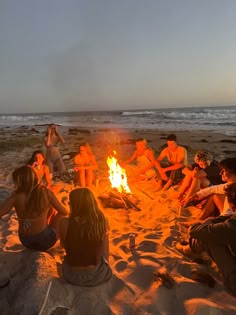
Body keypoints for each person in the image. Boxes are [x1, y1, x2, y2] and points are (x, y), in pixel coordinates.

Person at [180, 182, 236, 296]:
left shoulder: (232, 225)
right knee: (214, 233)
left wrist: (209, 221)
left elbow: (195, 230)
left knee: (209, 237)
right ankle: (189, 248)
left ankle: (187, 249)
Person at [0, 165, 68, 251]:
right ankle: (64, 245)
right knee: (61, 215)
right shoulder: (45, 192)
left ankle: (46, 227)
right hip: (45, 241)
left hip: (26, 241)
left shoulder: (16, 197)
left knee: (51, 209)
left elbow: (1, 211)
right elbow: (64, 212)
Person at [59, 187, 112, 286]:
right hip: (95, 276)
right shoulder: (101, 221)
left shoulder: (64, 223)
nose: (69, 204)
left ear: (75, 205)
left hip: (71, 275)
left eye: (70, 202)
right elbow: (105, 254)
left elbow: (64, 246)